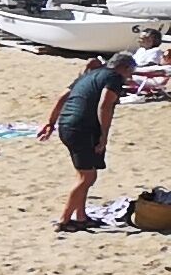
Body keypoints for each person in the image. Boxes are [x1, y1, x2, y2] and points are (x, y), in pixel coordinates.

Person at [41, 39, 151, 229]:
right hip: (82, 128)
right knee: (88, 178)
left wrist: (50, 123)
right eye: (130, 72)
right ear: (124, 68)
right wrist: (103, 135)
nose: (129, 77)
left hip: (67, 125)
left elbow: (61, 97)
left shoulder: (89, 75)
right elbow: (104, 105)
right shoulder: (113, 78)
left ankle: (81, 217)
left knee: (83, 175)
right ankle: (64, 220)